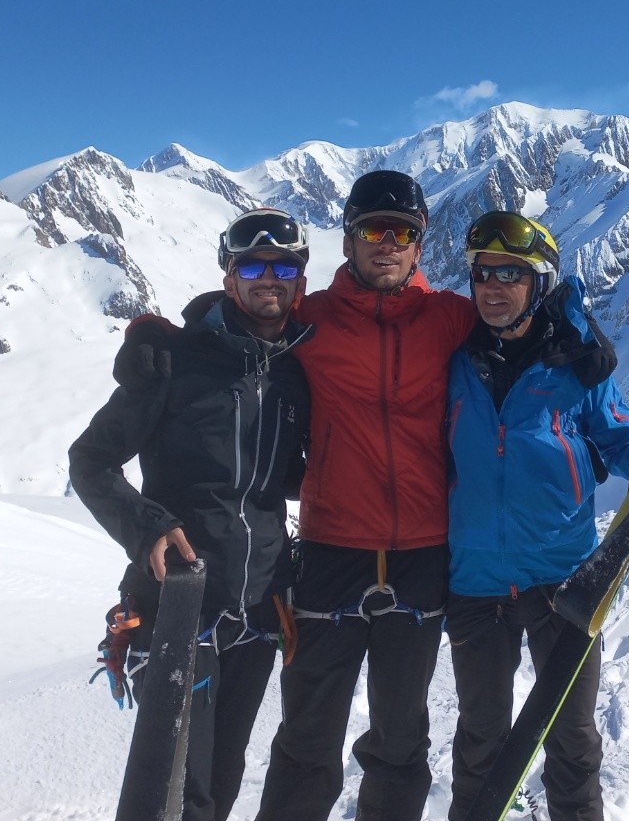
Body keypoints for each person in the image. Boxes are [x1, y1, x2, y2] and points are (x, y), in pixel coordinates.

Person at [443, 211, 629, 821]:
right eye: (482, 274)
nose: (493, 287)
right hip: (476, 584)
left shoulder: (574, 366)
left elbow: (619, 438)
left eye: (511, 273)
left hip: (566, 584)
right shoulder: (449, 358)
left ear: (539, 283)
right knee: (481, 742)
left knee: (571, 740)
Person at [69, 207, 313, 821]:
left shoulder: (294, 370)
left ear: (300, 279)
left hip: (259, 610)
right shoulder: (172, 364)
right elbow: (90, 461)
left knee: (219, 785)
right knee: (175, 792)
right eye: (251, 264)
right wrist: (146, 525)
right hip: (176, 604)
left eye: (282, 265)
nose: (268, 276)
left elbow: (277, 476)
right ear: (229, 277)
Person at [254, 170, 479, 821]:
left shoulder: (451, 319)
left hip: (422, 558)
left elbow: (522, 347)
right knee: (306, 740)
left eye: (402, 231)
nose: (388, 242)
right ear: (349, 238)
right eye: (374, 229)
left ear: (420, 243)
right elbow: (245, 327)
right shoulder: (310, 319)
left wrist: (582, 348)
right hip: (330, 552)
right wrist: (171, 342)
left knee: (401, 741)